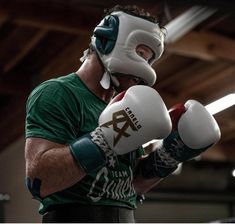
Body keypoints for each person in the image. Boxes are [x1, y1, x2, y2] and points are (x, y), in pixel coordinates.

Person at [24, 5, 221, 223]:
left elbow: (131, 185)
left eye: (149, 60)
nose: (145, 68)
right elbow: (40, 180)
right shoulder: (58, 93)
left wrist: (169, 155)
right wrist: (105, 138)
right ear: (107, 42)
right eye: (141, 53)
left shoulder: (124, 105)